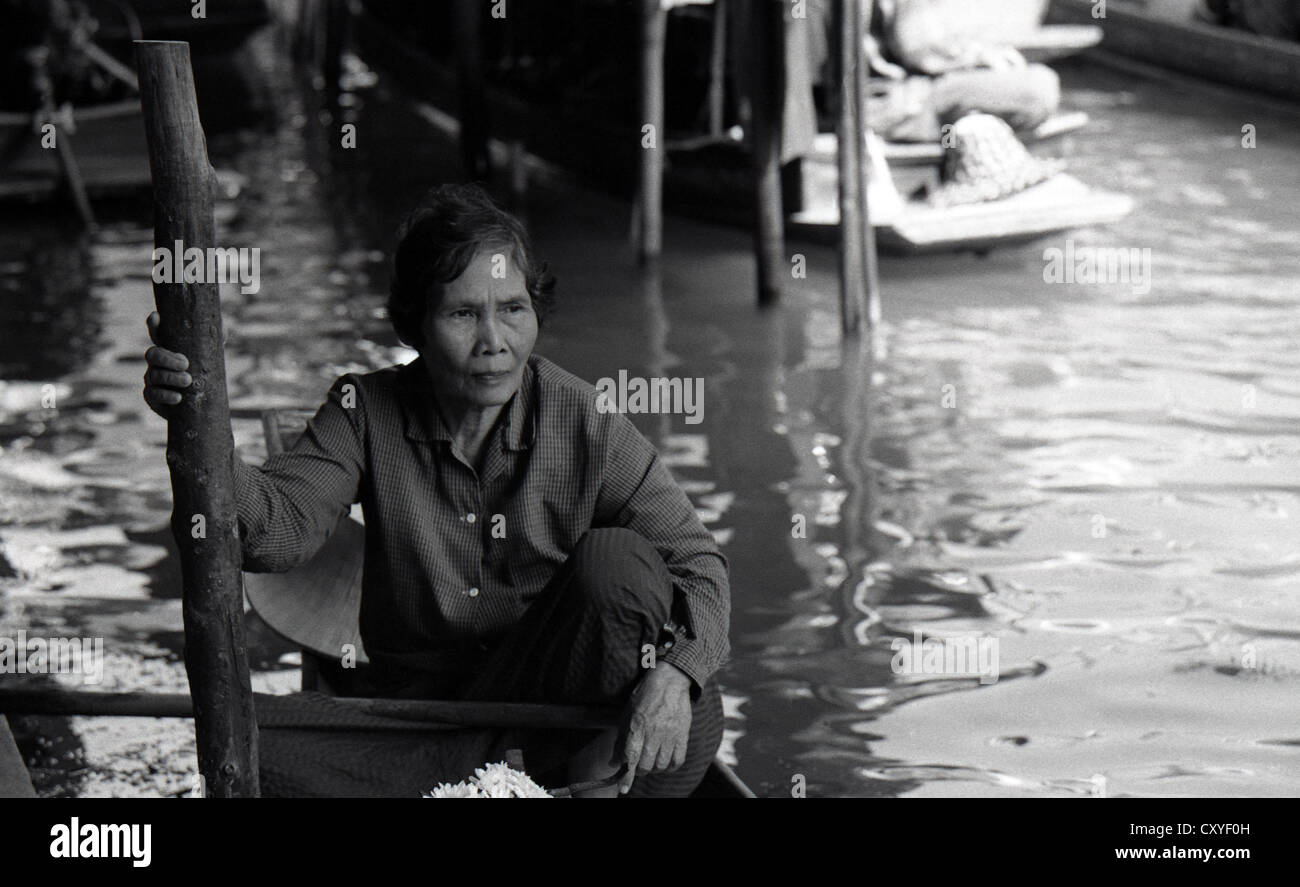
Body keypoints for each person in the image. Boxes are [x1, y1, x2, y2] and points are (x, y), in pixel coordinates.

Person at [142, 183, 730, 797]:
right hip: (421, 721)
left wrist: (672, 675)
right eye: (462, 314)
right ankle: (512, 780)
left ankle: (507, 776)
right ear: (416, 325)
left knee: (621, 569)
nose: (494, 342)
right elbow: (276, 536)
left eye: (512, 308)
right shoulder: (364, 410)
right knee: (234, 733)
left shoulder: (589, 421)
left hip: (557, 708)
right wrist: (199, 419)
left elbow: (700, 568)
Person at [862, 0, 1062, 143]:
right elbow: (917, 47)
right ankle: (940, 135)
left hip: (880, 99)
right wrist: (976, 57)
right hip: (895, 106)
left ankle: (950, 130)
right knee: (1039, 87)